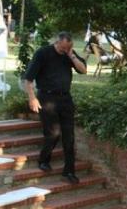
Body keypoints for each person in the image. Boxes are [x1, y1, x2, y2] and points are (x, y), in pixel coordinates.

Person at [24, 31, 87, 184]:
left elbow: (83, 70)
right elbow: (28, 79)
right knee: (53, 133)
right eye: (63, 47)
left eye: (68, 48)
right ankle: (43, 160)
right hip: (47, 98)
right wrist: (32, 98)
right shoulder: (43, 53)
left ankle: (69, 171)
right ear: (57, 42)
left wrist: (71, 55)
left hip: (65, 98)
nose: (64, 50)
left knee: (69, 136)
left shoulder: (69, 54)